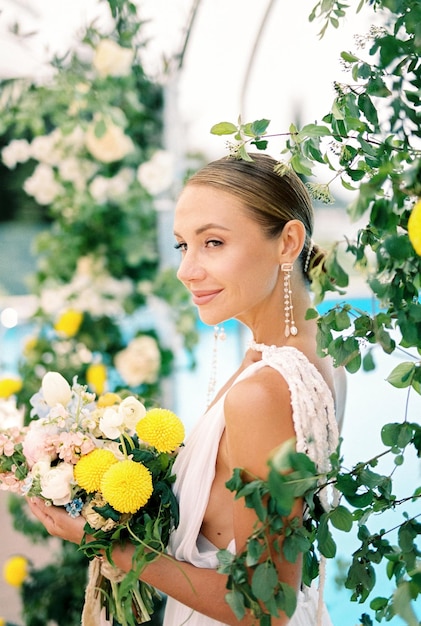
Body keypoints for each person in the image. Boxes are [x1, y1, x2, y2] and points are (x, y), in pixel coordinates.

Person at [28, 153, 342, 626]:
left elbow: (267, 605)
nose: (186, 270)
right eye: (182, 247)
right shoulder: (319, 352)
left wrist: (113, 545)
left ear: (288, 242)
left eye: (212, 242)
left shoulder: (264, 390)